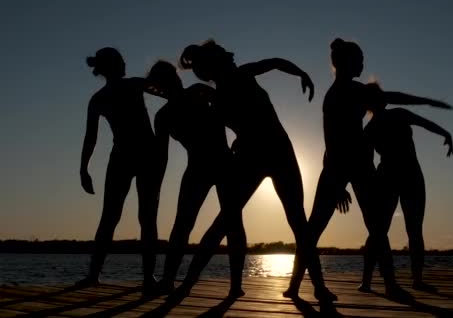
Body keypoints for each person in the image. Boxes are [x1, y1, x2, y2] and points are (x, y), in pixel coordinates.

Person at [286, 38, 453, 299]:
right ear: (345, 63)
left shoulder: (357, 90)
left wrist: (428, 102)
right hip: (338, 167)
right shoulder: (336, 96)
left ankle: (389, 283)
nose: (363, 64)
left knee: (377, 227)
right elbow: (331, 141)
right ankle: (298, 285)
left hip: (360, 167)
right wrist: (336, 184)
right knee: (315, 227)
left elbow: (392, 97)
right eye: (360, 59)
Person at [175, 40, 335, 302]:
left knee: (295, 222)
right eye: (225, 53)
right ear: (216, 64)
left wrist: (301, 74)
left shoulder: (227, 89)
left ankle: (318, 287)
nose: (232, 52)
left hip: (276, 154)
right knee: (229, 221)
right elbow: (237, 122)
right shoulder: (224, 91)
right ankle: (187, 285)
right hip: (260, 156)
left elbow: (273, 63)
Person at [78, 47, 163, 295]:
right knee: (128, 217)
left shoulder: (115, 92)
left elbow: (167, 93)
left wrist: (84, 169)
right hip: (131, 157)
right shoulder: (119, 91)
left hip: (137, 157)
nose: (127, 62)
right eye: (122, 60)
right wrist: (83, 169)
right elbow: (90, 137)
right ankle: (138, 278)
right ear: (113, 66)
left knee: (129, 217)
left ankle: (143, 277)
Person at [145, 60, 232, 293]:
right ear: (161, 86)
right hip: (197, 168)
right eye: (168, 79)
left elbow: (230, 110)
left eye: (174, 76)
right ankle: (168, 279)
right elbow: (161, 157)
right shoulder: (162, 117)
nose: (175, 80)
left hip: (224, 162)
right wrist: (156, 186)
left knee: (230, 223)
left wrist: (243, 136)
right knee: (182, 225)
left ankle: (231, 285)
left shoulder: (199, 91)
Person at [358, 83, 453, 292]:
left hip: (400, 177)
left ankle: (370, 281)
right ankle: (407, 280)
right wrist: (445, 133)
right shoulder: (380, 124)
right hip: (400, 177)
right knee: (399, 230)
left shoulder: (372, 127)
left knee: (382, 231)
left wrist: (445, 133)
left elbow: (424, 123)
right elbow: (425, 123)